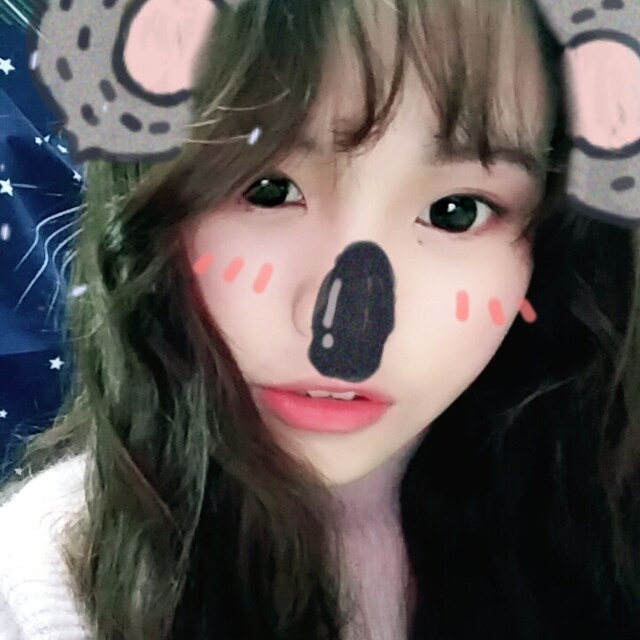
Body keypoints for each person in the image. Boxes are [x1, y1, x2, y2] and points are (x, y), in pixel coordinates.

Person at [1, 0, 639, 638]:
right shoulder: (45, 588)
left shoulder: (598, 515)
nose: (349, 338)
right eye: (268, 190)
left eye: (456, 212)